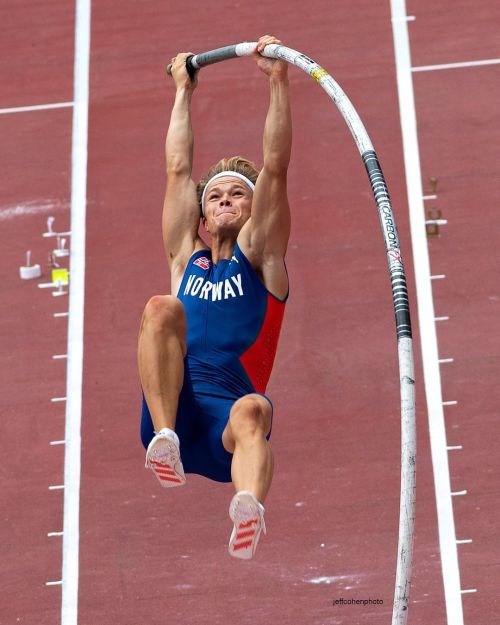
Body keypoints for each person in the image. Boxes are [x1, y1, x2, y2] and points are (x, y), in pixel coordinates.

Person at [138, 35, 292, 560]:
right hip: (174, 409)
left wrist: (277, 80)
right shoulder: (187, 260)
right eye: (217, 197)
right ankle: (164, 442)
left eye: (238, 194)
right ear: (203, 219)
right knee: (162, 307)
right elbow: (178, 171)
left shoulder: (263, 262)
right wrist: (183, 89)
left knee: (255, 408)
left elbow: (275, 167)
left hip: (228, 426)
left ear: (254, 211)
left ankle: (247, 507)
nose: (226, 201)